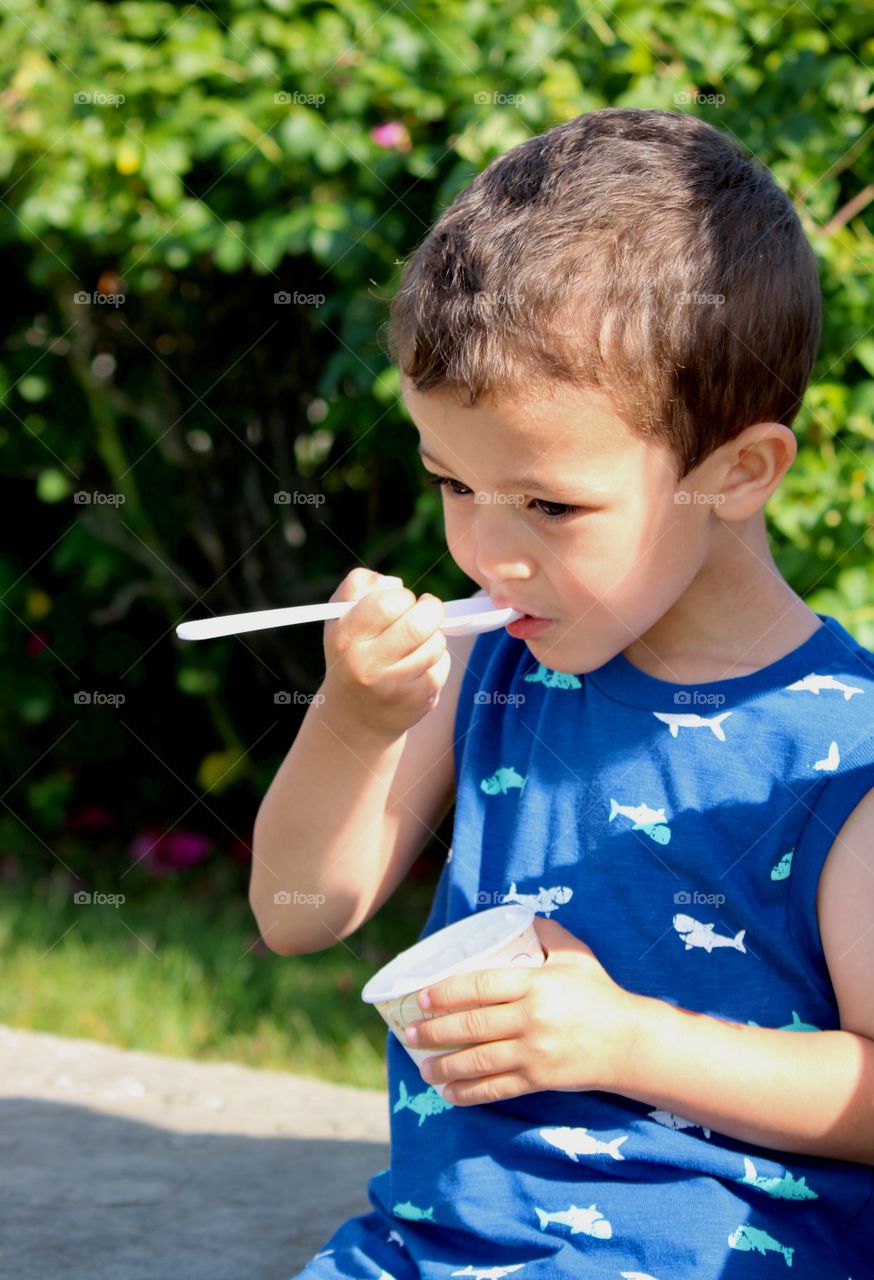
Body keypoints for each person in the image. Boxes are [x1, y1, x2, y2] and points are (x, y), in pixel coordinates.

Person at [250, 108, 874, 1278]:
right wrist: (353, 721)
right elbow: (297, 911)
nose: (489, 552)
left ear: (736, 471)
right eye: (450, 481)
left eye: (549, 504)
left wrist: (625, 1039)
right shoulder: (493, 664)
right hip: (423, 1250)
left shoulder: (841, 752)